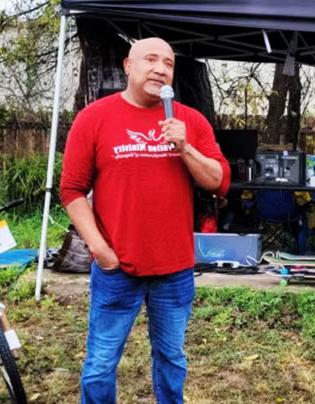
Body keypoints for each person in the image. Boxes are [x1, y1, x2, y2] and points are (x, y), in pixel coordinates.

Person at [59, 37, 230, 403]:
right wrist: (100, 248)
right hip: (116, 268)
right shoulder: (94, 118)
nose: (160, 68)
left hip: (174, 269)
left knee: (172, 358)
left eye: (168, 63)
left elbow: (218, 180)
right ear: (127, 66)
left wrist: (185, 148)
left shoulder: (189, 120)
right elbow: (72, 190)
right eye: (150, 59)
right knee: (101, 362)